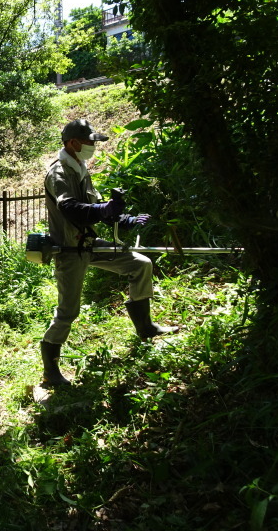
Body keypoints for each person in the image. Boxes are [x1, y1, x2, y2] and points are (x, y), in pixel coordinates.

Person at [40, 119, 177, 387]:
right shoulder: (59, 173)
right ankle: (50, 371)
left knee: (140, 264)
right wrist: (103, 210)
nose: (94, 147)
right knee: (68, 312)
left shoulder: (80, 168)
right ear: (74, 143)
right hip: (69, 250)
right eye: (90, 142)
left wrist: (122, 218)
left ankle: (146, 328)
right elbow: (70, 208)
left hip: (90, 244)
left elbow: (97, 207)